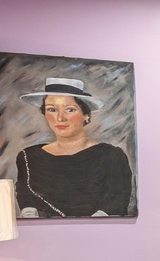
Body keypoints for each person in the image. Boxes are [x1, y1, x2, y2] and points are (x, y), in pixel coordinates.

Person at [13, 77, 133, 217]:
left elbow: (117, 202)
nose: (60, 118)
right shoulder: (28, 157)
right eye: (52, 109)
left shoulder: (111, 156)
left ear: (86, 115)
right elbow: (26, 198)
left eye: (70, 109)